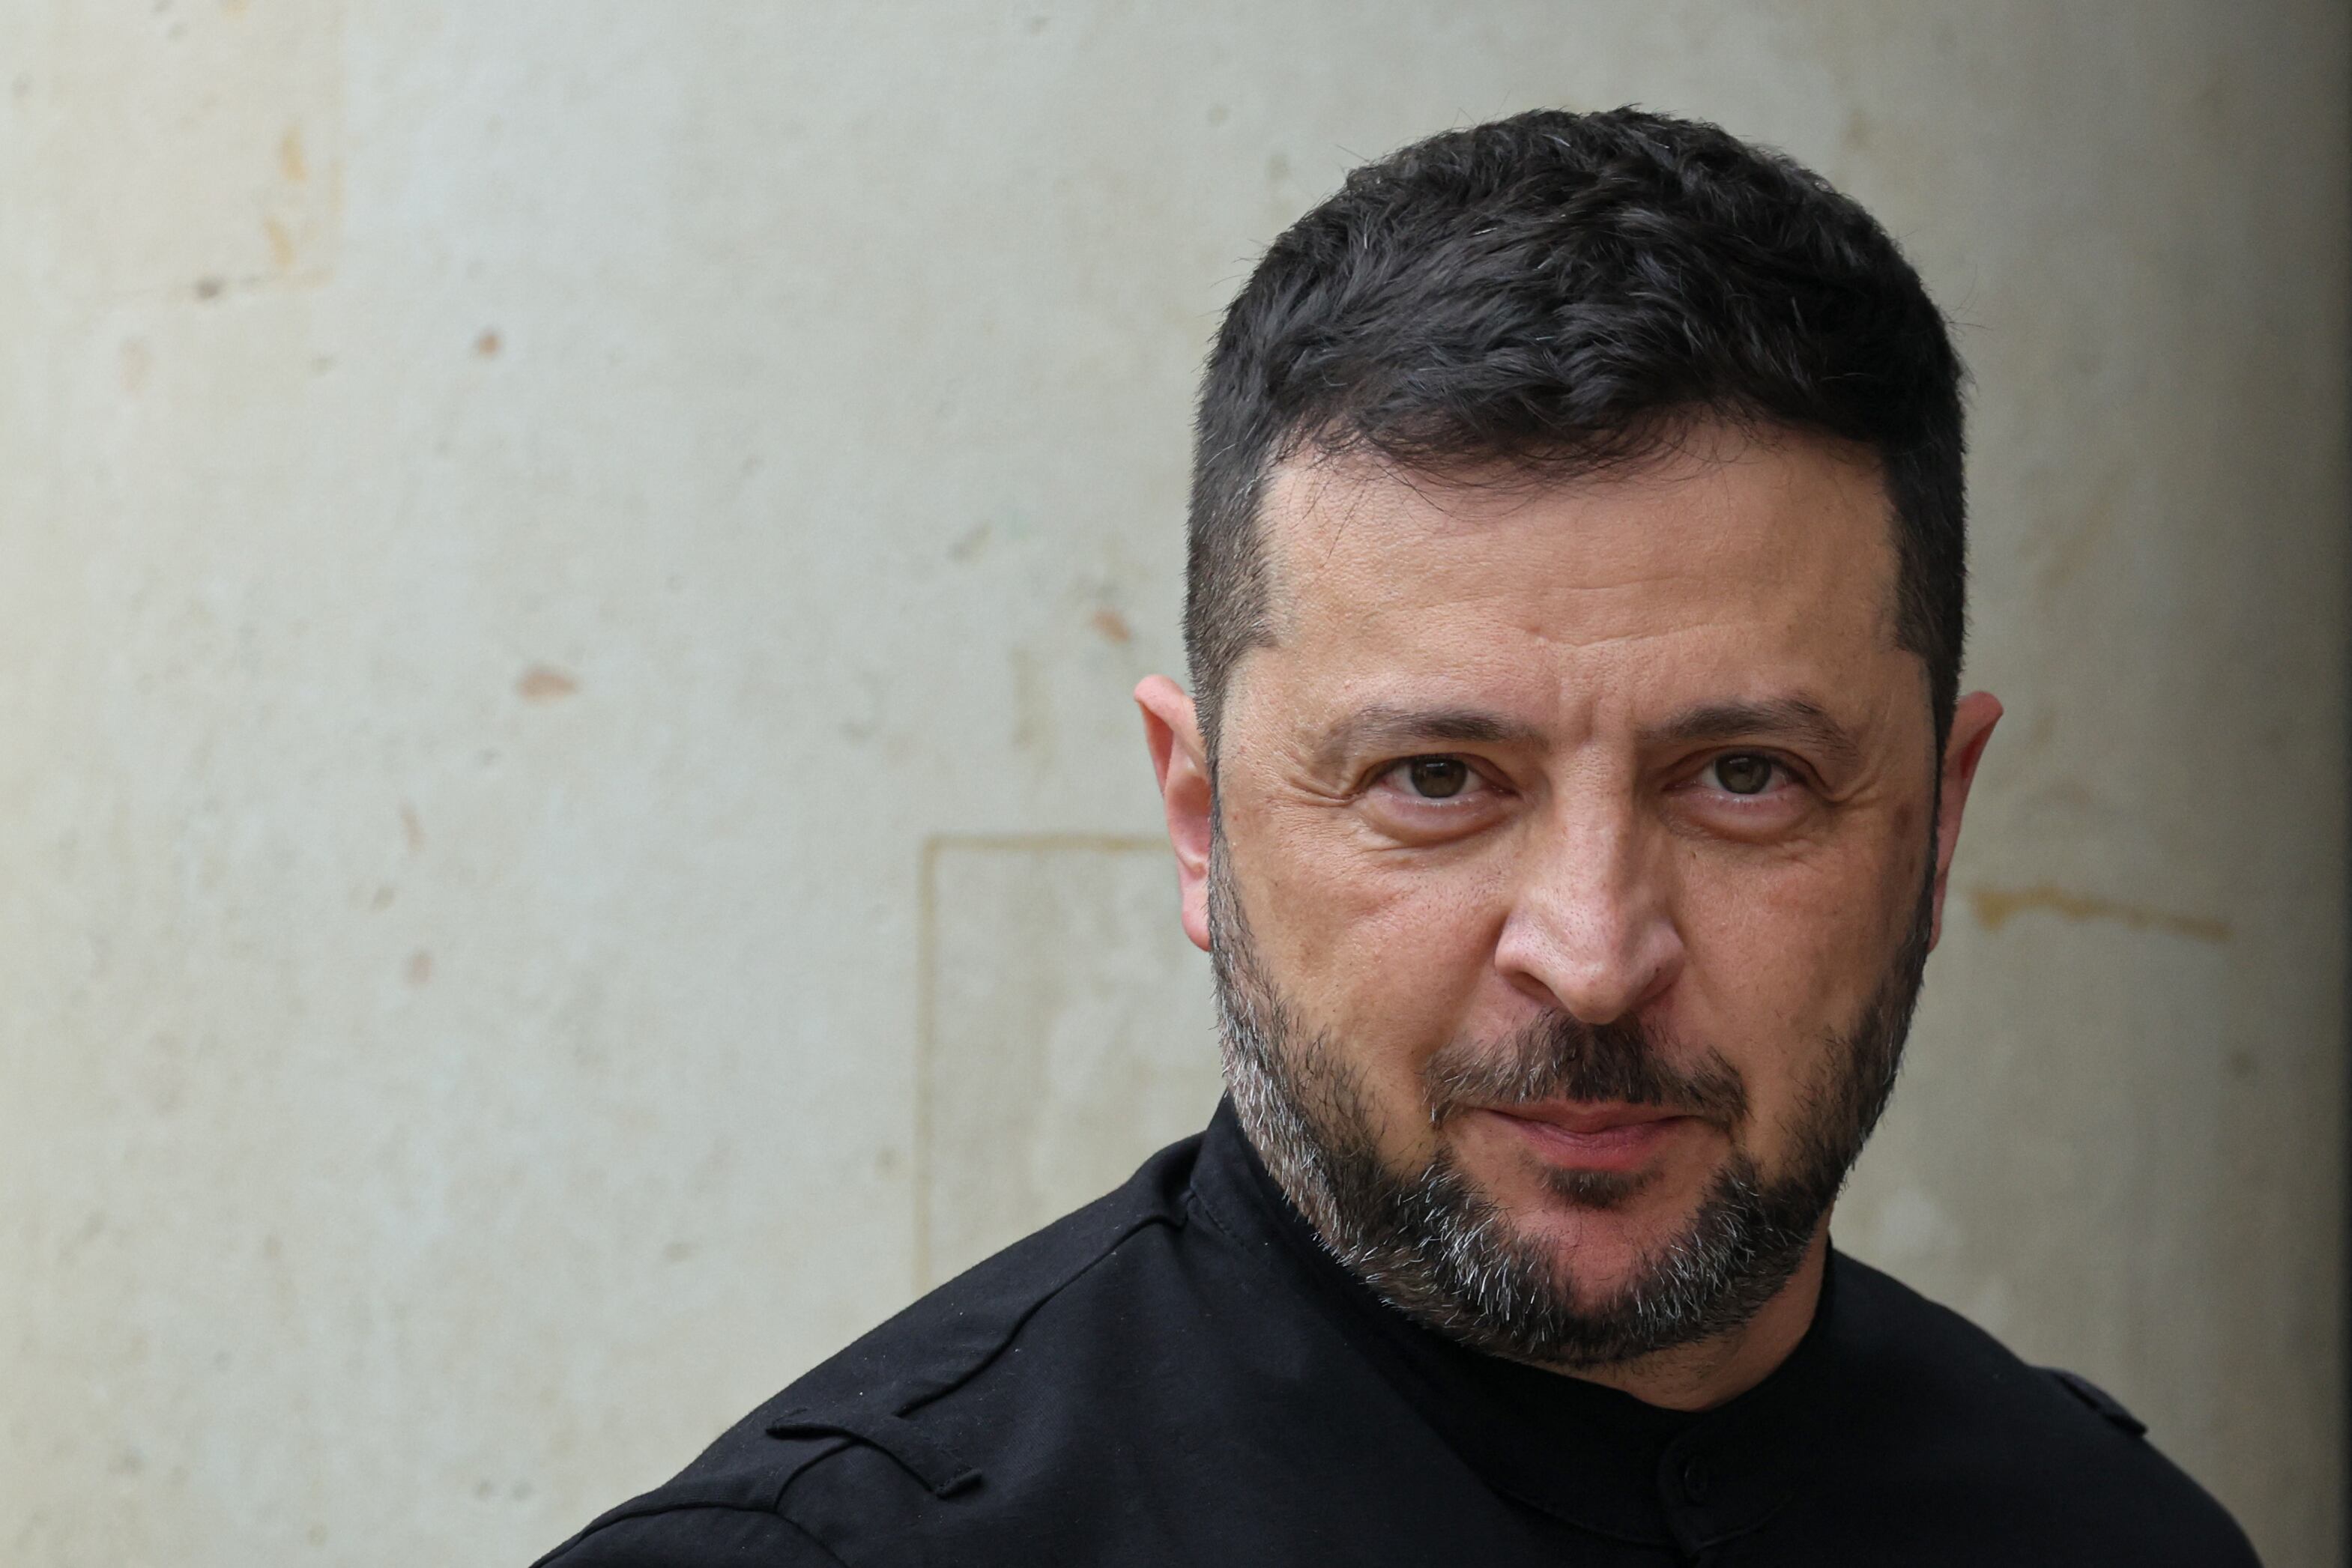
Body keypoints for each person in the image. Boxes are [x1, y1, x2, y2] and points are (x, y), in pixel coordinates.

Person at [534, 107, 2260, 1566]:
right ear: (1200, 821)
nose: (1592, 955)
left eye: (1743, 776)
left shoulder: (2119, 1536)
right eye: (1436, 780)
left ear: (1936, 829)